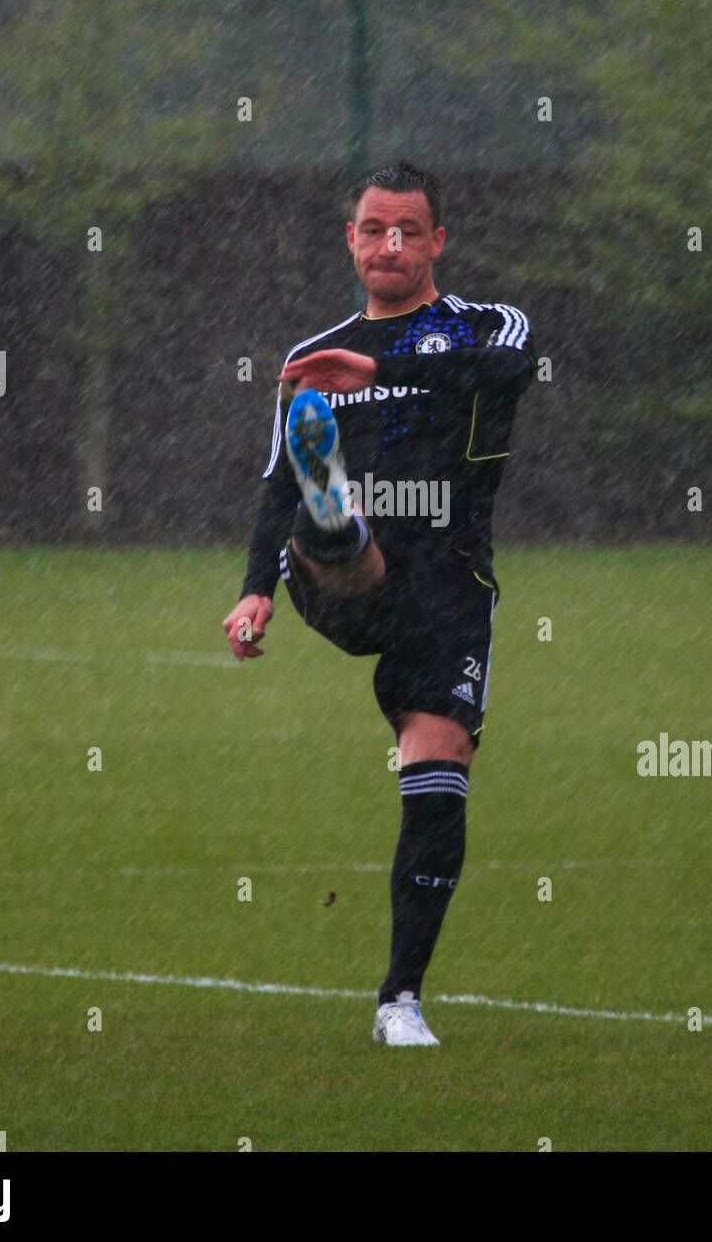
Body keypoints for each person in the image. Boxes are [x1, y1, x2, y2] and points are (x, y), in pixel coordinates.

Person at [222, 161, 534, 1046]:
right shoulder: (309, 358)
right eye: (373, 229)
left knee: (439, 777)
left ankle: (401, 1000)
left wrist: (384, 363)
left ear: (438, 241)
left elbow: (506, 367)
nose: (389, 245)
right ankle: (337, 519)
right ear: (351, 240)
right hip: (346, 584)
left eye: (408, 231)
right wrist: (252, 592)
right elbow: (267, 484)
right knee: (336, 533)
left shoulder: (488, 325)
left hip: (450, 591)